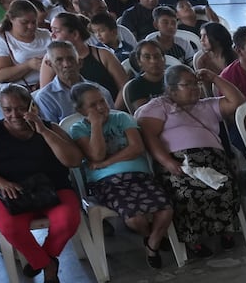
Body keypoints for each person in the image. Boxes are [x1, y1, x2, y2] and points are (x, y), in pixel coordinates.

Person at [0, 85, 87, 283]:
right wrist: (0, 183)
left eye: (21, 108)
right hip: (13, 193)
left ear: (32, 106)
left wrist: (42, 130)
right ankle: (48, 264)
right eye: (7, 110)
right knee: (11, 226)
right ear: (0, 109)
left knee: (67, 219)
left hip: (54, 188)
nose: (14, 115)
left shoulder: (50, 128)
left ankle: (41, 259)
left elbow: (74, 160)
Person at [135, 65, 246, 257]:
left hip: (213, 159)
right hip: (180, 162)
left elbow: (238, 101)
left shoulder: (207, 104)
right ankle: (192, 240)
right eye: (187, 84)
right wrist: (167, 162)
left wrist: (214, 77)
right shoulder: (160, 106)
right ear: (171, 89)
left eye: (196, 83)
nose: (195, 88)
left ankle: (226, 231)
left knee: (226, 184)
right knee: (185, 193)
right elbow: (149, 136)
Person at [65, 82, 174, 268]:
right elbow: (96, 155)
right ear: (82, 111)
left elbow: (136, 148)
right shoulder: (79, 129)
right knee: (134, 219)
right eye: (93, 105)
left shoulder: (122, 118)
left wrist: (106, 163)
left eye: (102, 101)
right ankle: (151, 236)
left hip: (139, 175)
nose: (101, 107)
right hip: (107, 183)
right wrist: (97, 125)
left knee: (166, 209)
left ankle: (152, 244)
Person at [34, 40, 113, 123]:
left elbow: (114, 122)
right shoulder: (45, 98)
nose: (66, 64)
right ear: (50, 64)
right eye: (59, 60)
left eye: (71, 59)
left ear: (80, 63)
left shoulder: (100, 91)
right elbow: (52, 131)